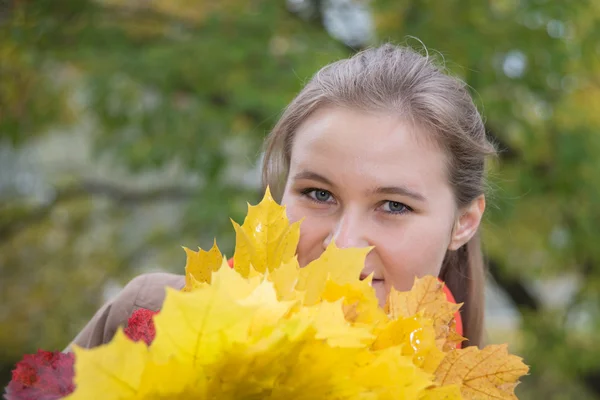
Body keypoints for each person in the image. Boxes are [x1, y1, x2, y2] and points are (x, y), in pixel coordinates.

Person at [64, 43, 495, 352]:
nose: (341, 246)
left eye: (394, 206)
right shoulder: (149, 321)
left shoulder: (463, 389)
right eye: (319, 194)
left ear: (464, 222)